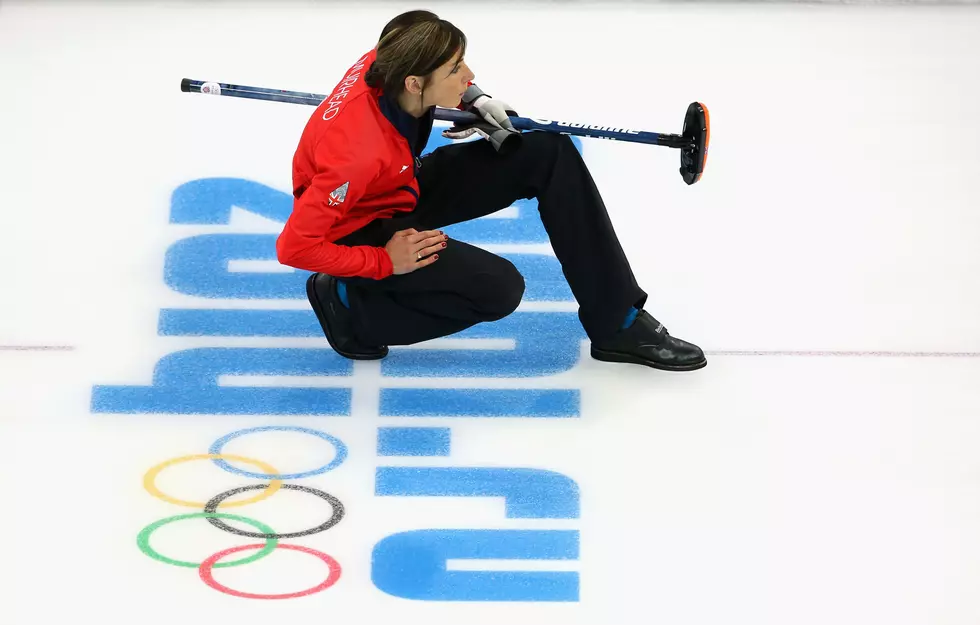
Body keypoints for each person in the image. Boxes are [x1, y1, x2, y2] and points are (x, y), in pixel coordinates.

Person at [275, 9, 706, 372]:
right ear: (413, 84)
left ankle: (618, 323)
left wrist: (475, 100)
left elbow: (437, 81)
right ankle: (350, 306)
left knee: (546, 150)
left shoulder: (393, 54)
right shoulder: (355, 155)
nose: (469, 74)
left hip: (397, 183)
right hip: (362, 220)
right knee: (497, 289)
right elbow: (294, 247)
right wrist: (381, 261)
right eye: (455, 71)